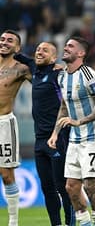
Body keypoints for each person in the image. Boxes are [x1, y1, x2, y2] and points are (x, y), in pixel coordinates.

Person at [48, 36, 95, 226]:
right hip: (75, 140)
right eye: (65, 45)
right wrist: (55, 132)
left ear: (81, 53)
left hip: (94, 138)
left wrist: (79, 121)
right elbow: (64, 106)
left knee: (90, 186)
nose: (65, 48)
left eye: (70, 46)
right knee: (71, 187)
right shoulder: (62, 76)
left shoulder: (89, 75)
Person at [14, 42, 75, 226]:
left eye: (44, 50)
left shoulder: (59, 74)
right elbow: (18, 55)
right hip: (39, 140)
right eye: (38, 49)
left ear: (53, 58)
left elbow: (74, 74)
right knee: (47, 188)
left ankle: (70, 223)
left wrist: (66, 67)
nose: (39, 52)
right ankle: (55, 224)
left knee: (63, 187)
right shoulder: (34, 68)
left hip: (58, 137)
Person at [0, 29, 31, 226]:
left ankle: (13, 222)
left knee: (6, 173)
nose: (4, 42)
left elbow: (43, 79)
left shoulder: (21, 68)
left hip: (4, 123)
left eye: (10, 40)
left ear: (17, 47)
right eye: (2, 39)